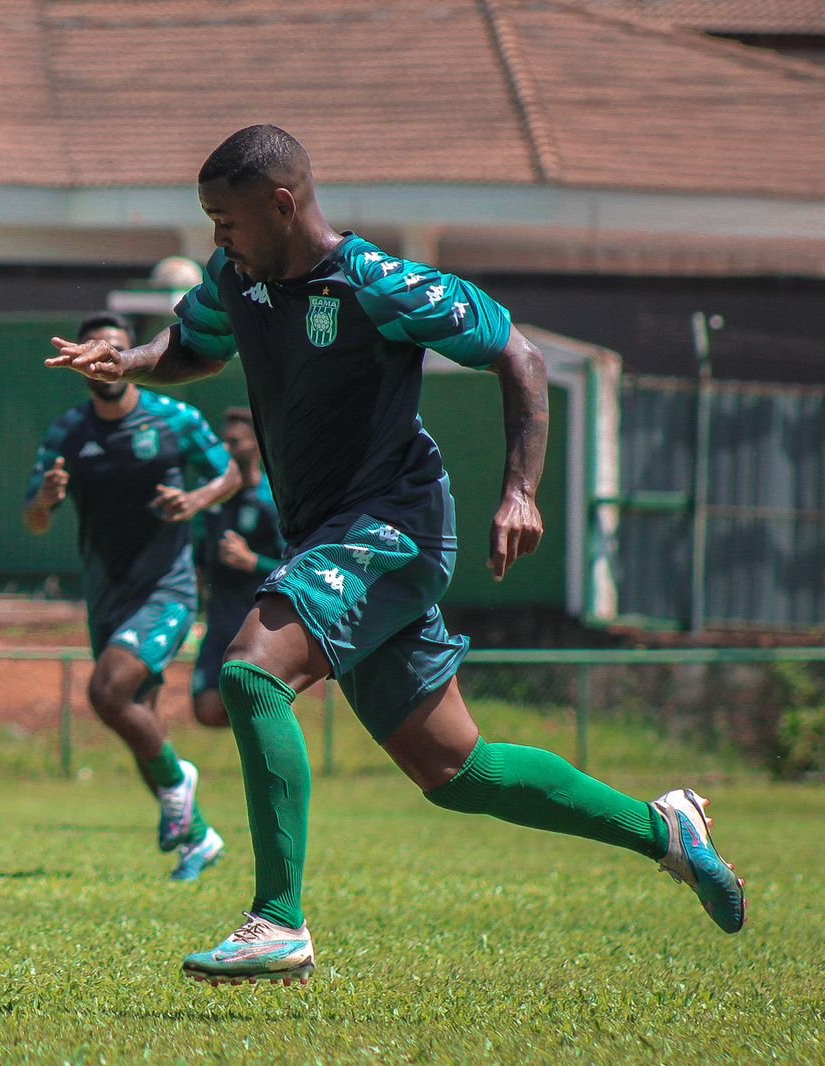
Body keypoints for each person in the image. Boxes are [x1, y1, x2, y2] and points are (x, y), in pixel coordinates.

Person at [47, 126, 745, 985]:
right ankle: (663, 830)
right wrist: (130, 361)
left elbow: (516, 355)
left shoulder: (377, 282)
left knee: (251, 671)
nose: (214, 239)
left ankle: (278, 920)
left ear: (281, 204)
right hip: (330, 536)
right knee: (456, 768)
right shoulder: (237, 279)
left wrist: (520, 490)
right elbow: (188, 349)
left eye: (223, 220)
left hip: (392, 523)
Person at [25, 312, 242, 882]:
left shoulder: (175, 419)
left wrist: (196, 502)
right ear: (80, 365)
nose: (105, 359)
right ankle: (197, 837)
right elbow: (34, 521)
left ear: (130, 357)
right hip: (107, 595)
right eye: (95, 351)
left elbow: (231, 476)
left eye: (115, 349)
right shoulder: (67, 434)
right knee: (134, 714)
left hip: (167, 588)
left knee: (107, 691)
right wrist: (46, 499)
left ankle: (179, 785)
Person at [191, 408, 284, 729]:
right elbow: (199, 552)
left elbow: (298, 565)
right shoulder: (213, 498)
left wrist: (252, 561)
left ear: (257, 446)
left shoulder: (272, 500)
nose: (226, 448)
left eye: (235, 441)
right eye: (223, 441)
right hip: (218, 621)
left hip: (256, 623)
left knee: (253, 703)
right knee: (206, 709)